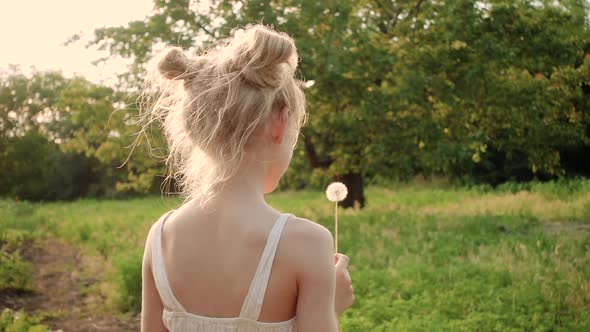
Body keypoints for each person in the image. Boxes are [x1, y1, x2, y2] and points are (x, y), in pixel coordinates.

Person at [140, 24, 354, 332]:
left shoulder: (161, 238)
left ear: (194, 130)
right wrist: (331, 308)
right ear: (279, 123)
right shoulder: (307, 243)